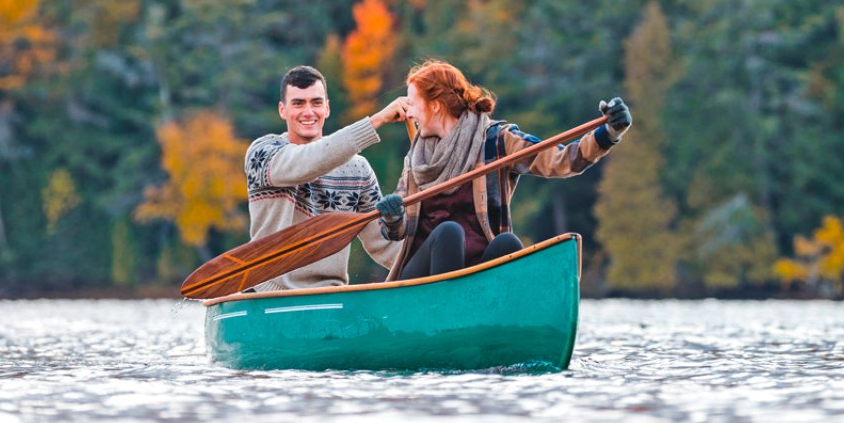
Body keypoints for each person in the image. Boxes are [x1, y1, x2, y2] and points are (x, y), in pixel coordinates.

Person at [379, 59, 633, 279]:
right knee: (448, 232)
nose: (408, 112)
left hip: (475, 271)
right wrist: (392, 217)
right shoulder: (416, 159)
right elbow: (397, 231)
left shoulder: (496, 141)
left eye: (412, 103)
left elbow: (561, 160)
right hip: (423, 281)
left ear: (435, 105)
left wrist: (608, 133)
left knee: (507, 243)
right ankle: (447, 318)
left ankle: (495, 318)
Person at [243, 64, 412, 292]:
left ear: (327, 108)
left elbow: (385, 246)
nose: (308, 111)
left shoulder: (358, 169)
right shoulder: (263, 153)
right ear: (282, 110)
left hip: (331, 294)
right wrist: (376, 121)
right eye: (298, 103)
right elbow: (310, 161)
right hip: (268, 293)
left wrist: (394, 224)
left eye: (316, 102)